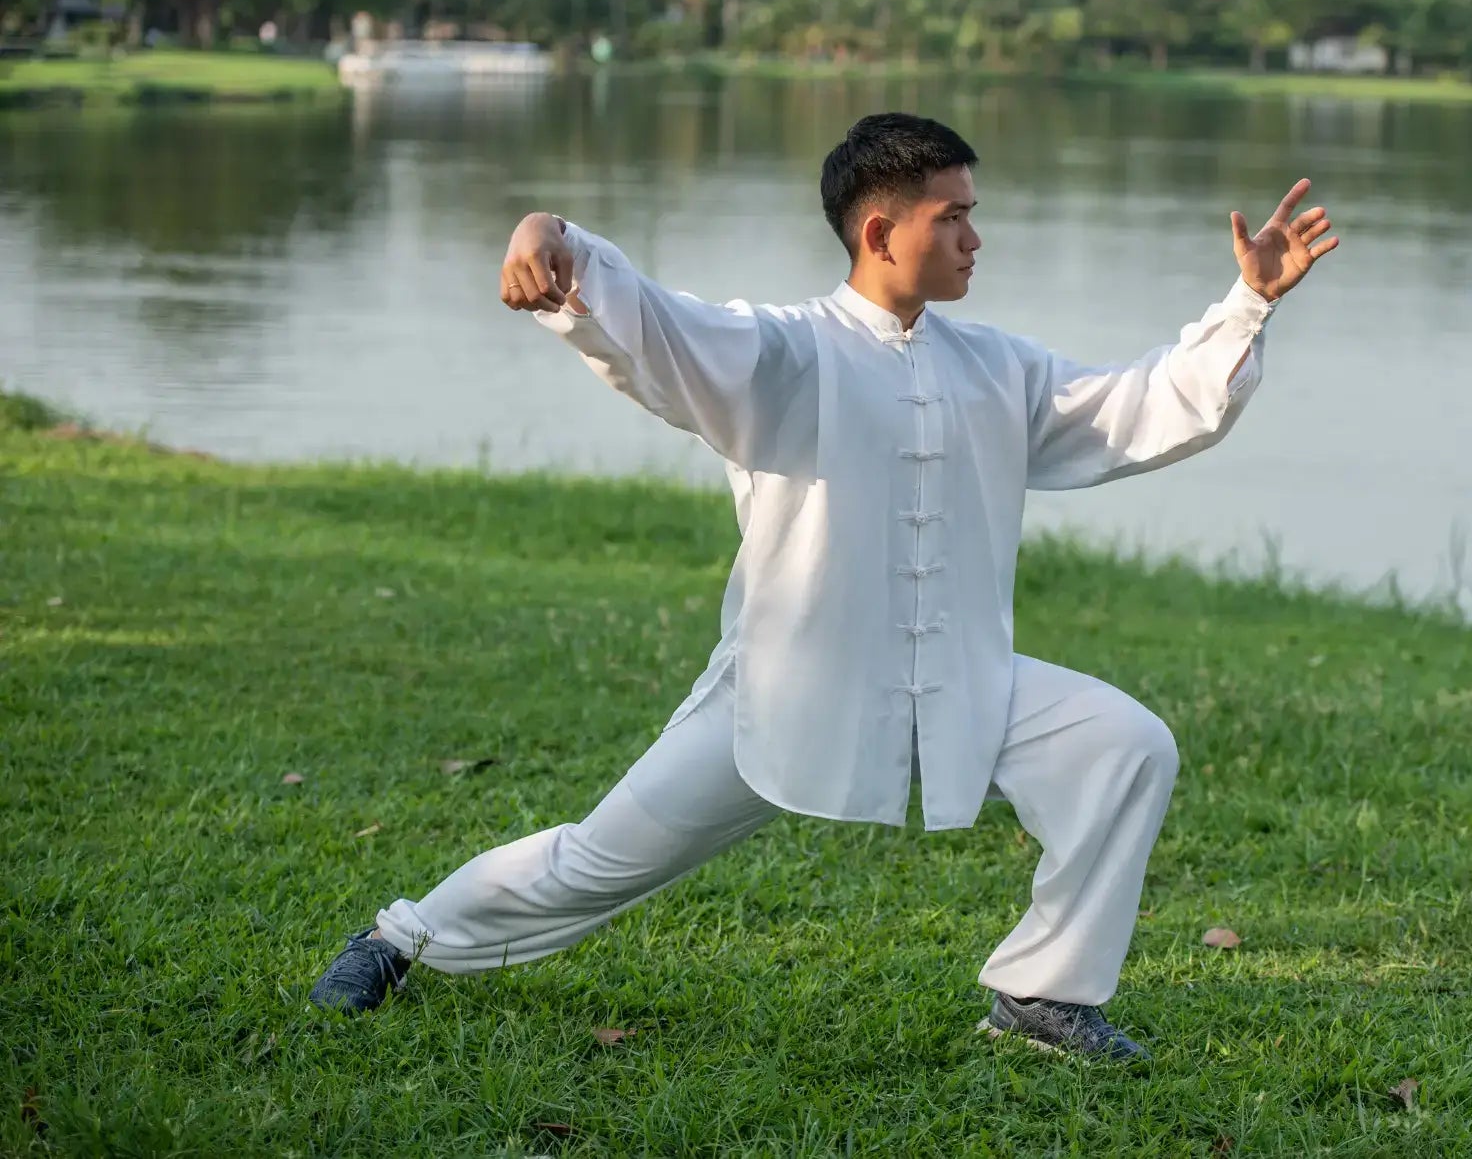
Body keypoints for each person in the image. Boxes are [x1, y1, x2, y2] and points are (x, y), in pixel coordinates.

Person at [308, 113, 1338, 1060]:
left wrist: (1248, 299)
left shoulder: (997, 366)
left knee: (1123, 745)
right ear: (881, 231)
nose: (976, 239)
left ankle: (1042, 995)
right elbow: (654, 328)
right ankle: (403, 936)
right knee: (595, 862)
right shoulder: (782, 349)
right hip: (784, 688)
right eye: (955, 218)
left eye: (974, 216)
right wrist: (549, 233)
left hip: (960, 679)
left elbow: (1141, 405)